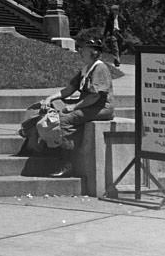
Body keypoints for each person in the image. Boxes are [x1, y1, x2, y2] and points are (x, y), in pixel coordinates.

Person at [40, 31, 115, 178]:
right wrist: (49, 99)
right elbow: (69, 90)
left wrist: (74, 107)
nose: (80, 51)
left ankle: (68, 162)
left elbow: (95, 96)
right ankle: (62, 144)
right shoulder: (86, 69)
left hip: (101, 108)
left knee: (64, 119)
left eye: (84, 48)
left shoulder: (100, 68)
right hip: (88, 105)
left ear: (93, 51)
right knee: (54, 111)